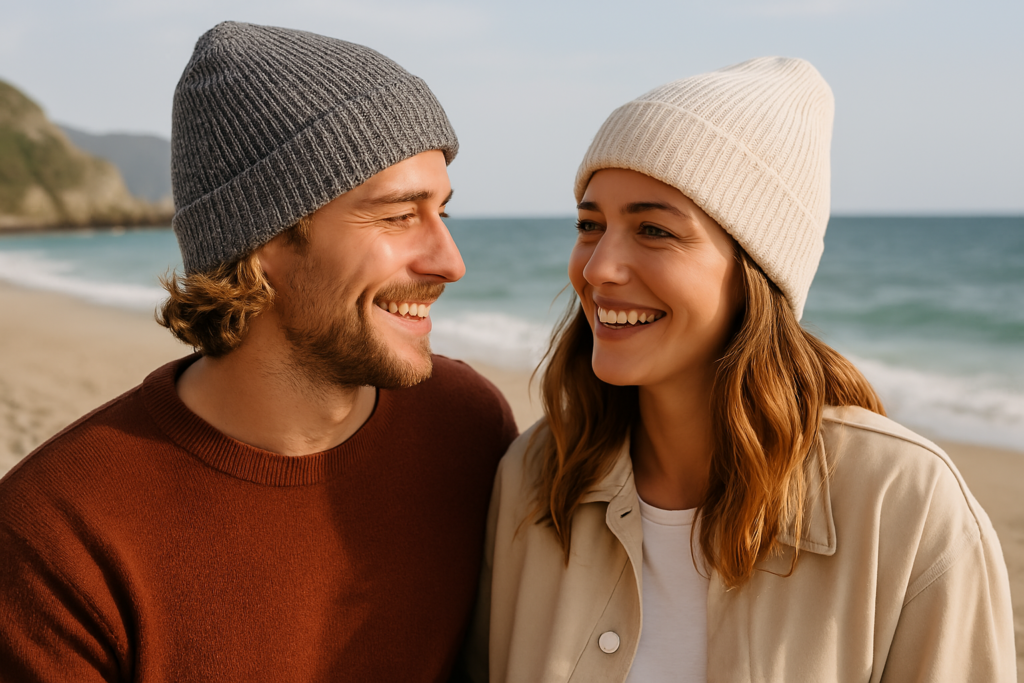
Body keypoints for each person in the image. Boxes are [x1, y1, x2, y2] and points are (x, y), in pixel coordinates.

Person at [463, 57, 1016, 681]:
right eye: (590, 226)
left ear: (757, 270)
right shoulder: (534, 480)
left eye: (653, 230)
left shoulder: (905, 501)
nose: (597, 269)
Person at [0, 22, 517, 682]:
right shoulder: (53, 536)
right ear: (265, 239)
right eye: (397, 215)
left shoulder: (466, 427)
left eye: (443, 211)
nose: (451, 262)